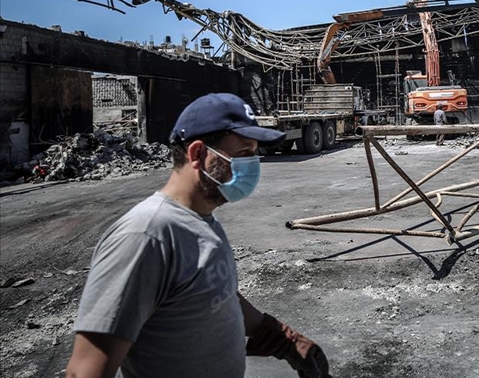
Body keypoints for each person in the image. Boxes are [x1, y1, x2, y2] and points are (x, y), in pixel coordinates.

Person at [66, 93, 331, 378]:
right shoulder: (145, 236)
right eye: (243, 153)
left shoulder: (202, 220)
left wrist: (282, 337)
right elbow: (86, 371)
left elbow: (212, 295)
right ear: (197, 154)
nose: (253, 165)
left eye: (254, 153)